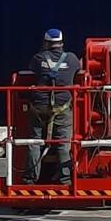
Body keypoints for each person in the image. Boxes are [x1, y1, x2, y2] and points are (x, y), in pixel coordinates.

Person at [23, 29, 80, 185]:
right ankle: (66, 179)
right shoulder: (72, 59)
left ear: (46, 43)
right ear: (62, 43)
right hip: (62, 107)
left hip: (39, 107)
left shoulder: (38, 58)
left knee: (35, 142)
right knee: (63, 143)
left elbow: (32, 71)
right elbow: (78, 71)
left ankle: (30, 179)